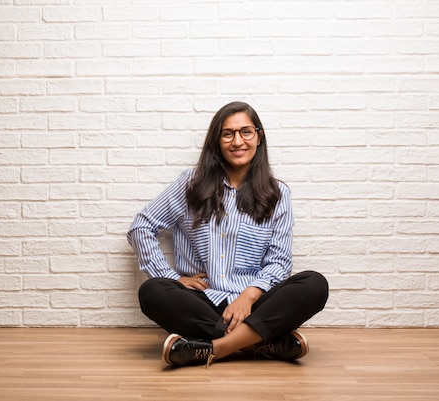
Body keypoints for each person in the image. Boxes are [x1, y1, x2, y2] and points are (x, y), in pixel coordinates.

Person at [127, 101, 329, 368]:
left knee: (314, 284)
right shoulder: (191, 183)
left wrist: (248, 297)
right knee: (153, 291)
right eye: (228, 133)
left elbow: (279, 262)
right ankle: (259, 344)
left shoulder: (278, 194)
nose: (237, 141)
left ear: (259, 137)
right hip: (203, 303)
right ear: (217, 140)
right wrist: (173, 278)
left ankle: (214, 348)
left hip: (255, 304)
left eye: (246, 132)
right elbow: (141, 226)